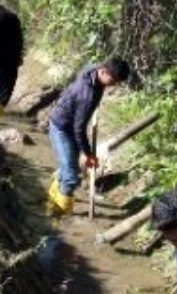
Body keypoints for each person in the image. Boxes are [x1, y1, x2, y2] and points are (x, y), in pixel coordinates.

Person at [45, 57, 131, 216]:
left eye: (118, 81)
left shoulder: (92, 69)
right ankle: (59, 213)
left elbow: (78, 126)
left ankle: (53, 201)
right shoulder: (87, 95)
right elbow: (79, 129)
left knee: (69, 168)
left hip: (71, 123)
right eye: (114, 80)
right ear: (103, 72)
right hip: (62, 128)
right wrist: (89, 154)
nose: (114, 84)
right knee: (71, 176)